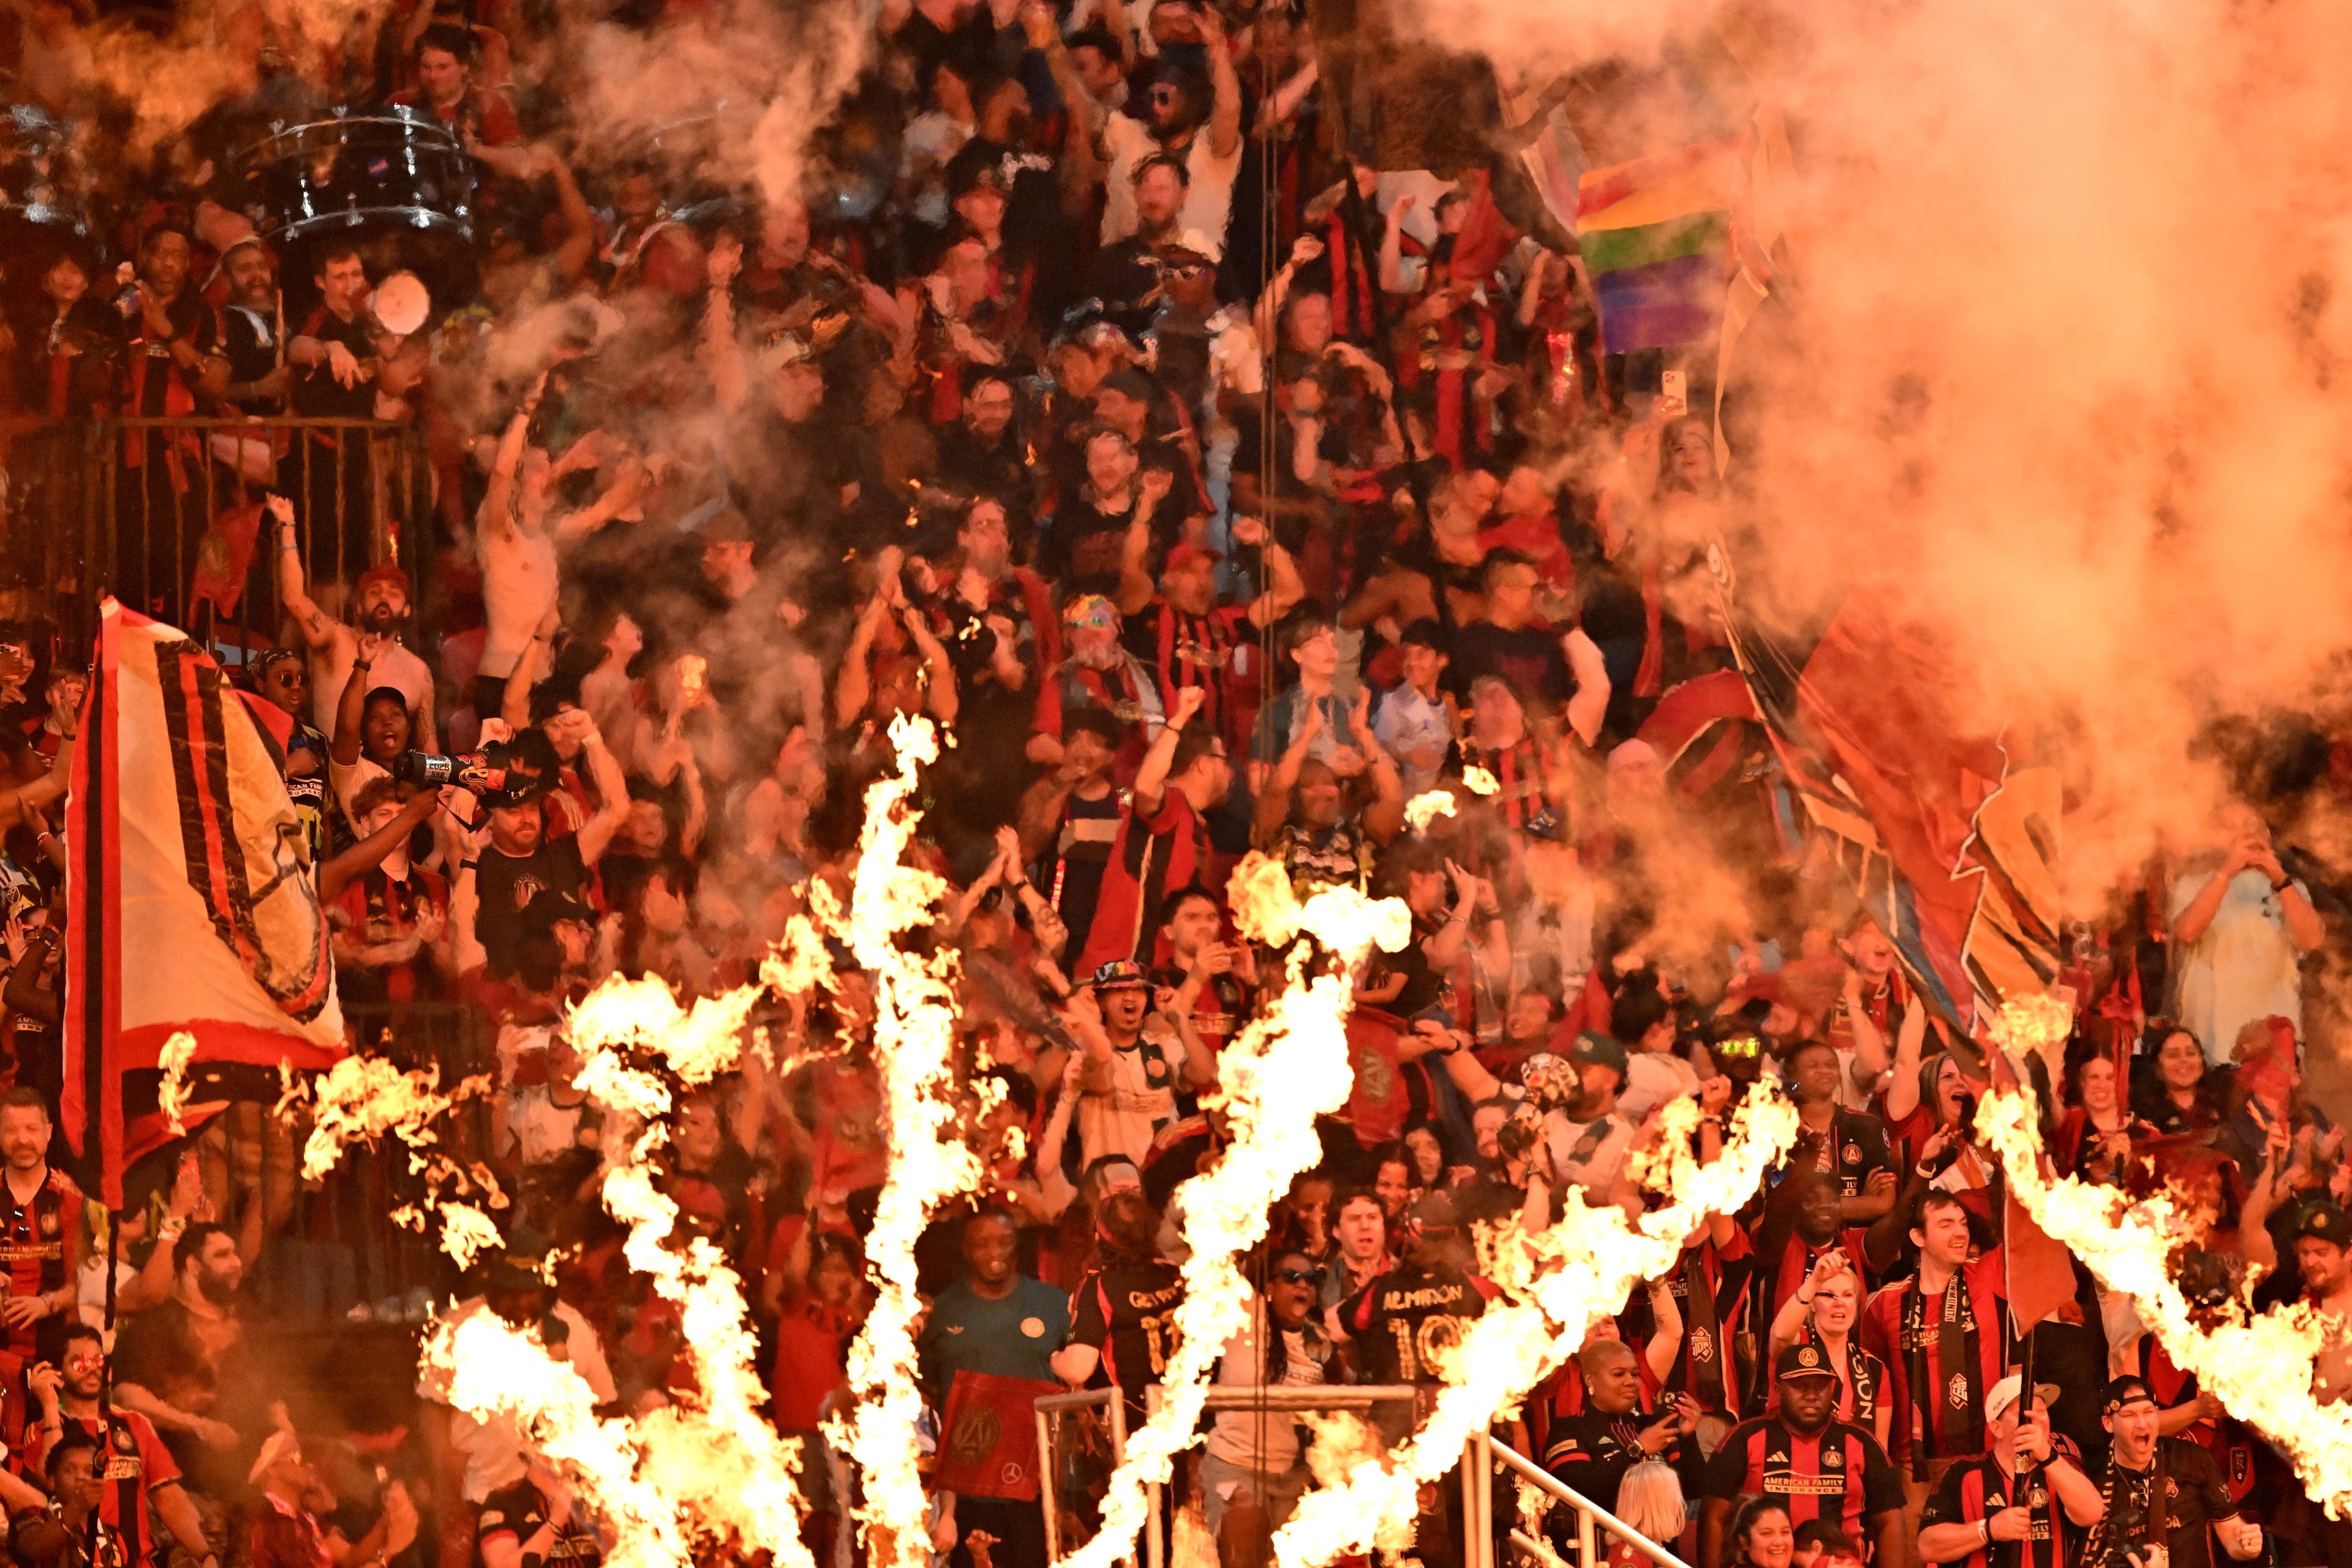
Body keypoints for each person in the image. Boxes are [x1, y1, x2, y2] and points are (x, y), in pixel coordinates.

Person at [918, 1210, 1068, 1568]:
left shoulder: (1052, 1303)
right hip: (968, 1487)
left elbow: (1078, 1382)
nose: (994, 1251)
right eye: (981, 1244)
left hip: (1037, 1483)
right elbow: (926, 1391)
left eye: (1003, 1240)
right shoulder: (943, 1309)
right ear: (966, 1251)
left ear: (1017, 1243)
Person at [21, 1324, 215, 1568]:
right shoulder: (43, 1430)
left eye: (98, 1361)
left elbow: (168, 1499)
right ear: (57, 1373)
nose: (92, 1369)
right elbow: (49, 1482)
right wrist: (50, 1407)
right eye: (80, 1363)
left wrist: (206, 1556)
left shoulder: (135, 1424)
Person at [1700, 1344, 1902, 1568]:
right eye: (1799, 1386)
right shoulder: (1744, 1439)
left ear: (1833, 1388)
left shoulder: (1863, 1443)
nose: (1811, 1395)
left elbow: (1890, 1521)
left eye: (1821, 1386)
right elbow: (1714, 1517)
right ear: (1778, 1390)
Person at [270, 493, 437, 749]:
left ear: (406, 610)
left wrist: (440, 788)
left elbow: (428, 744)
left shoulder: (419, 672)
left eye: (394, 593)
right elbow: (294, 597)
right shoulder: (334, 638)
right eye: (374, 592)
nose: (383, 596)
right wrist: (287, 527)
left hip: (387, 785)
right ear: (358, 608)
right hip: (334, 779)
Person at [1202, 1248, 1333, 1568]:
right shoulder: (1245, 1315)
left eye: (1311, 1280)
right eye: (1291, 1277)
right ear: (1270, 1288)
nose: (1302, 1286)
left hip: (1291, 1475)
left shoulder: (1321, 1341)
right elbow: (1218, 1258)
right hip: (1235, 1464)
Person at [2168, 804, 2324, 1065]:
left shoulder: (2290, 888)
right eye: (2231, 829)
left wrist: (2279, 878)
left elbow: (2312, 940)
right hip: (2210, 1044)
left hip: (2275, 1047)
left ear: (2267, 837)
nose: (2244, 836)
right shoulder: (2193, 885)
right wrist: (2227, 872)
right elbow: (2187, 932)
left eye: (2251, 828)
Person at [1915, 1373, 2105, 1568]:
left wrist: (2048, 1456)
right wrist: (1989, 1529)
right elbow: (1928, 1546)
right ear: (1997, 1428)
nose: (2037, 1420)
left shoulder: (2061, 1470)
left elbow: (2093, 1513)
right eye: (2024, 1413)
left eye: (2041, 1411)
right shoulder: (1963, 1473)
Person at [2082, 1376, 2263, 1568]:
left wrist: (2246, 1546)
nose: (2142, 1424)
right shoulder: (2092, 1476)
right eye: (2129, 1415)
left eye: (2148, 1412)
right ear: (2108, 1423)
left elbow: (2232, 1536)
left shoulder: (2192, 1458)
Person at [1054, 1187, 1183, 1428]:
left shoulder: (1100, 1287)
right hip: (1186, 1413)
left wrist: (1055, 1358)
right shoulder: (1175, 1274)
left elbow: (1077, 1370)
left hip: (1137, 1422)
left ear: (1100, 1236)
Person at [0, 1089, 82, 1434]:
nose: (23, 1140)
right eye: (12, 1130)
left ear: (49, 1133)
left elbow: (89, 1282)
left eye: (32, 1129)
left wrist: (47, 1303)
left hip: (56, 1360)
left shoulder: (72, 1199)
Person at [1545, 1338, 1699, 1520]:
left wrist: (1688, 1436)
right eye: (1618, 1374)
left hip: (1661, 1545)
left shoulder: (1652, 1425)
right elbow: (1578, 1493)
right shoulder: (1569, 1429)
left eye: (1635, 1374)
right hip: (1601, 1542)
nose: (1630, 1381)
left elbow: (1694, 1489)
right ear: (1590, 1381)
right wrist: (1637, 1450)